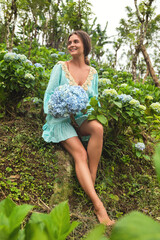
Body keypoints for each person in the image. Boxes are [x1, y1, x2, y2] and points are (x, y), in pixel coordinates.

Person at [42, 30, 115, 226]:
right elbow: (48, 98)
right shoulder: (60, 67)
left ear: (85, 45)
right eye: (69, 42)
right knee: (81, 154)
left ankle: (89, 181)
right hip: (60, 120)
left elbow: (95, 103)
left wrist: (84, 111)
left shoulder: (93, 73)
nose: (71, 45)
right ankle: (98, 206)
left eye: (75, 41)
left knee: (98, 128)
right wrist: (63, 109)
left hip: (81, 118)